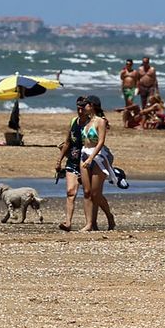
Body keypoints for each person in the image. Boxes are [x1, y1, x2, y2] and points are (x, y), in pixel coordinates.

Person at [78, 95, 116, 231]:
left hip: (98, 157)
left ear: (92, 105)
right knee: (87, 192)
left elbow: (101, 142)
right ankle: (89, 223)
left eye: (86, 105)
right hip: (84, 154)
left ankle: (109, 217)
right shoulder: (86, 122)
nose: (83, 107)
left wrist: (91, 158)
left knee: (96, 193)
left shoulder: (100, 121)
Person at [53, 97, 89, 232]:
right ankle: (68, 222)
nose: (80, 111)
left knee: (90, 194)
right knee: (70, 192)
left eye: (82, 108)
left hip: (86, 163)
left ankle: (101, 219)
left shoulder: (92, 123)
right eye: (78, 108)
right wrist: (59, 160)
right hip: (72, 162)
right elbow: (67, 142)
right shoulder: (74, 121)